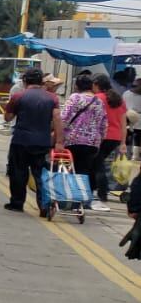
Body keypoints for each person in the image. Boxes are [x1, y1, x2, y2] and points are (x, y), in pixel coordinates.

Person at [3, 69, 63, 214]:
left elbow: (8, 118)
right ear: (42, 82)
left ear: (24, 81)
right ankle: (44, 206)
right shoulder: (52, 98)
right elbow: (57, 119)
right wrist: (59, 141)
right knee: (41, 175)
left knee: (18, 172)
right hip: (42, 141)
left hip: (21, 140)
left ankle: (17, 203)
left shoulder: (18, 96)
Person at [59, 73, 108, 212]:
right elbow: (104, 124)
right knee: (84, 171)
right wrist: (99, 140)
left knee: (69, 169)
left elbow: (64, 118)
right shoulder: (98, 101)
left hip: (73, 141)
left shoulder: (75, 97)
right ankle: (83, 201)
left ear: (77, 86)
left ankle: (69, 199)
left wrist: (58, 136)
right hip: (92, 143)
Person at [94, 73, 125, 207]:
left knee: (98, 164)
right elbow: (123, 123)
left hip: (101, 136)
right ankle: (99, 190)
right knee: (98, 162)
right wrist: (123, 142)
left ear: (97, 85)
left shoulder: (97, 98)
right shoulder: (119, 100)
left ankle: (102, 192)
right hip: (115, 137)